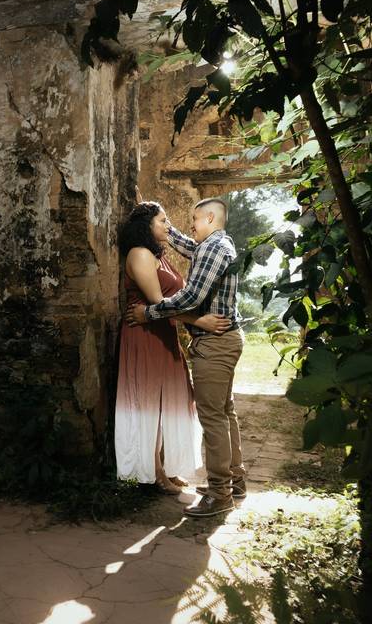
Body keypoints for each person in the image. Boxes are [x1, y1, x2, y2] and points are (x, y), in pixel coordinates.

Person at [127, 197, 245, 517]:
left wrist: (148, 313)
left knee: (213, 417)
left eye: (194, 219)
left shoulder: (213, 248)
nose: (188, 225)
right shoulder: (214, 245)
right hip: (223, 340)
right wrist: (158, 221)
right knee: (225, 411)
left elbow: (191, 297)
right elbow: (184, 243)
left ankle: (220, 493)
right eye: (166, 221)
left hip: (215, 341)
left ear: (209, 217)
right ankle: (235, 481)